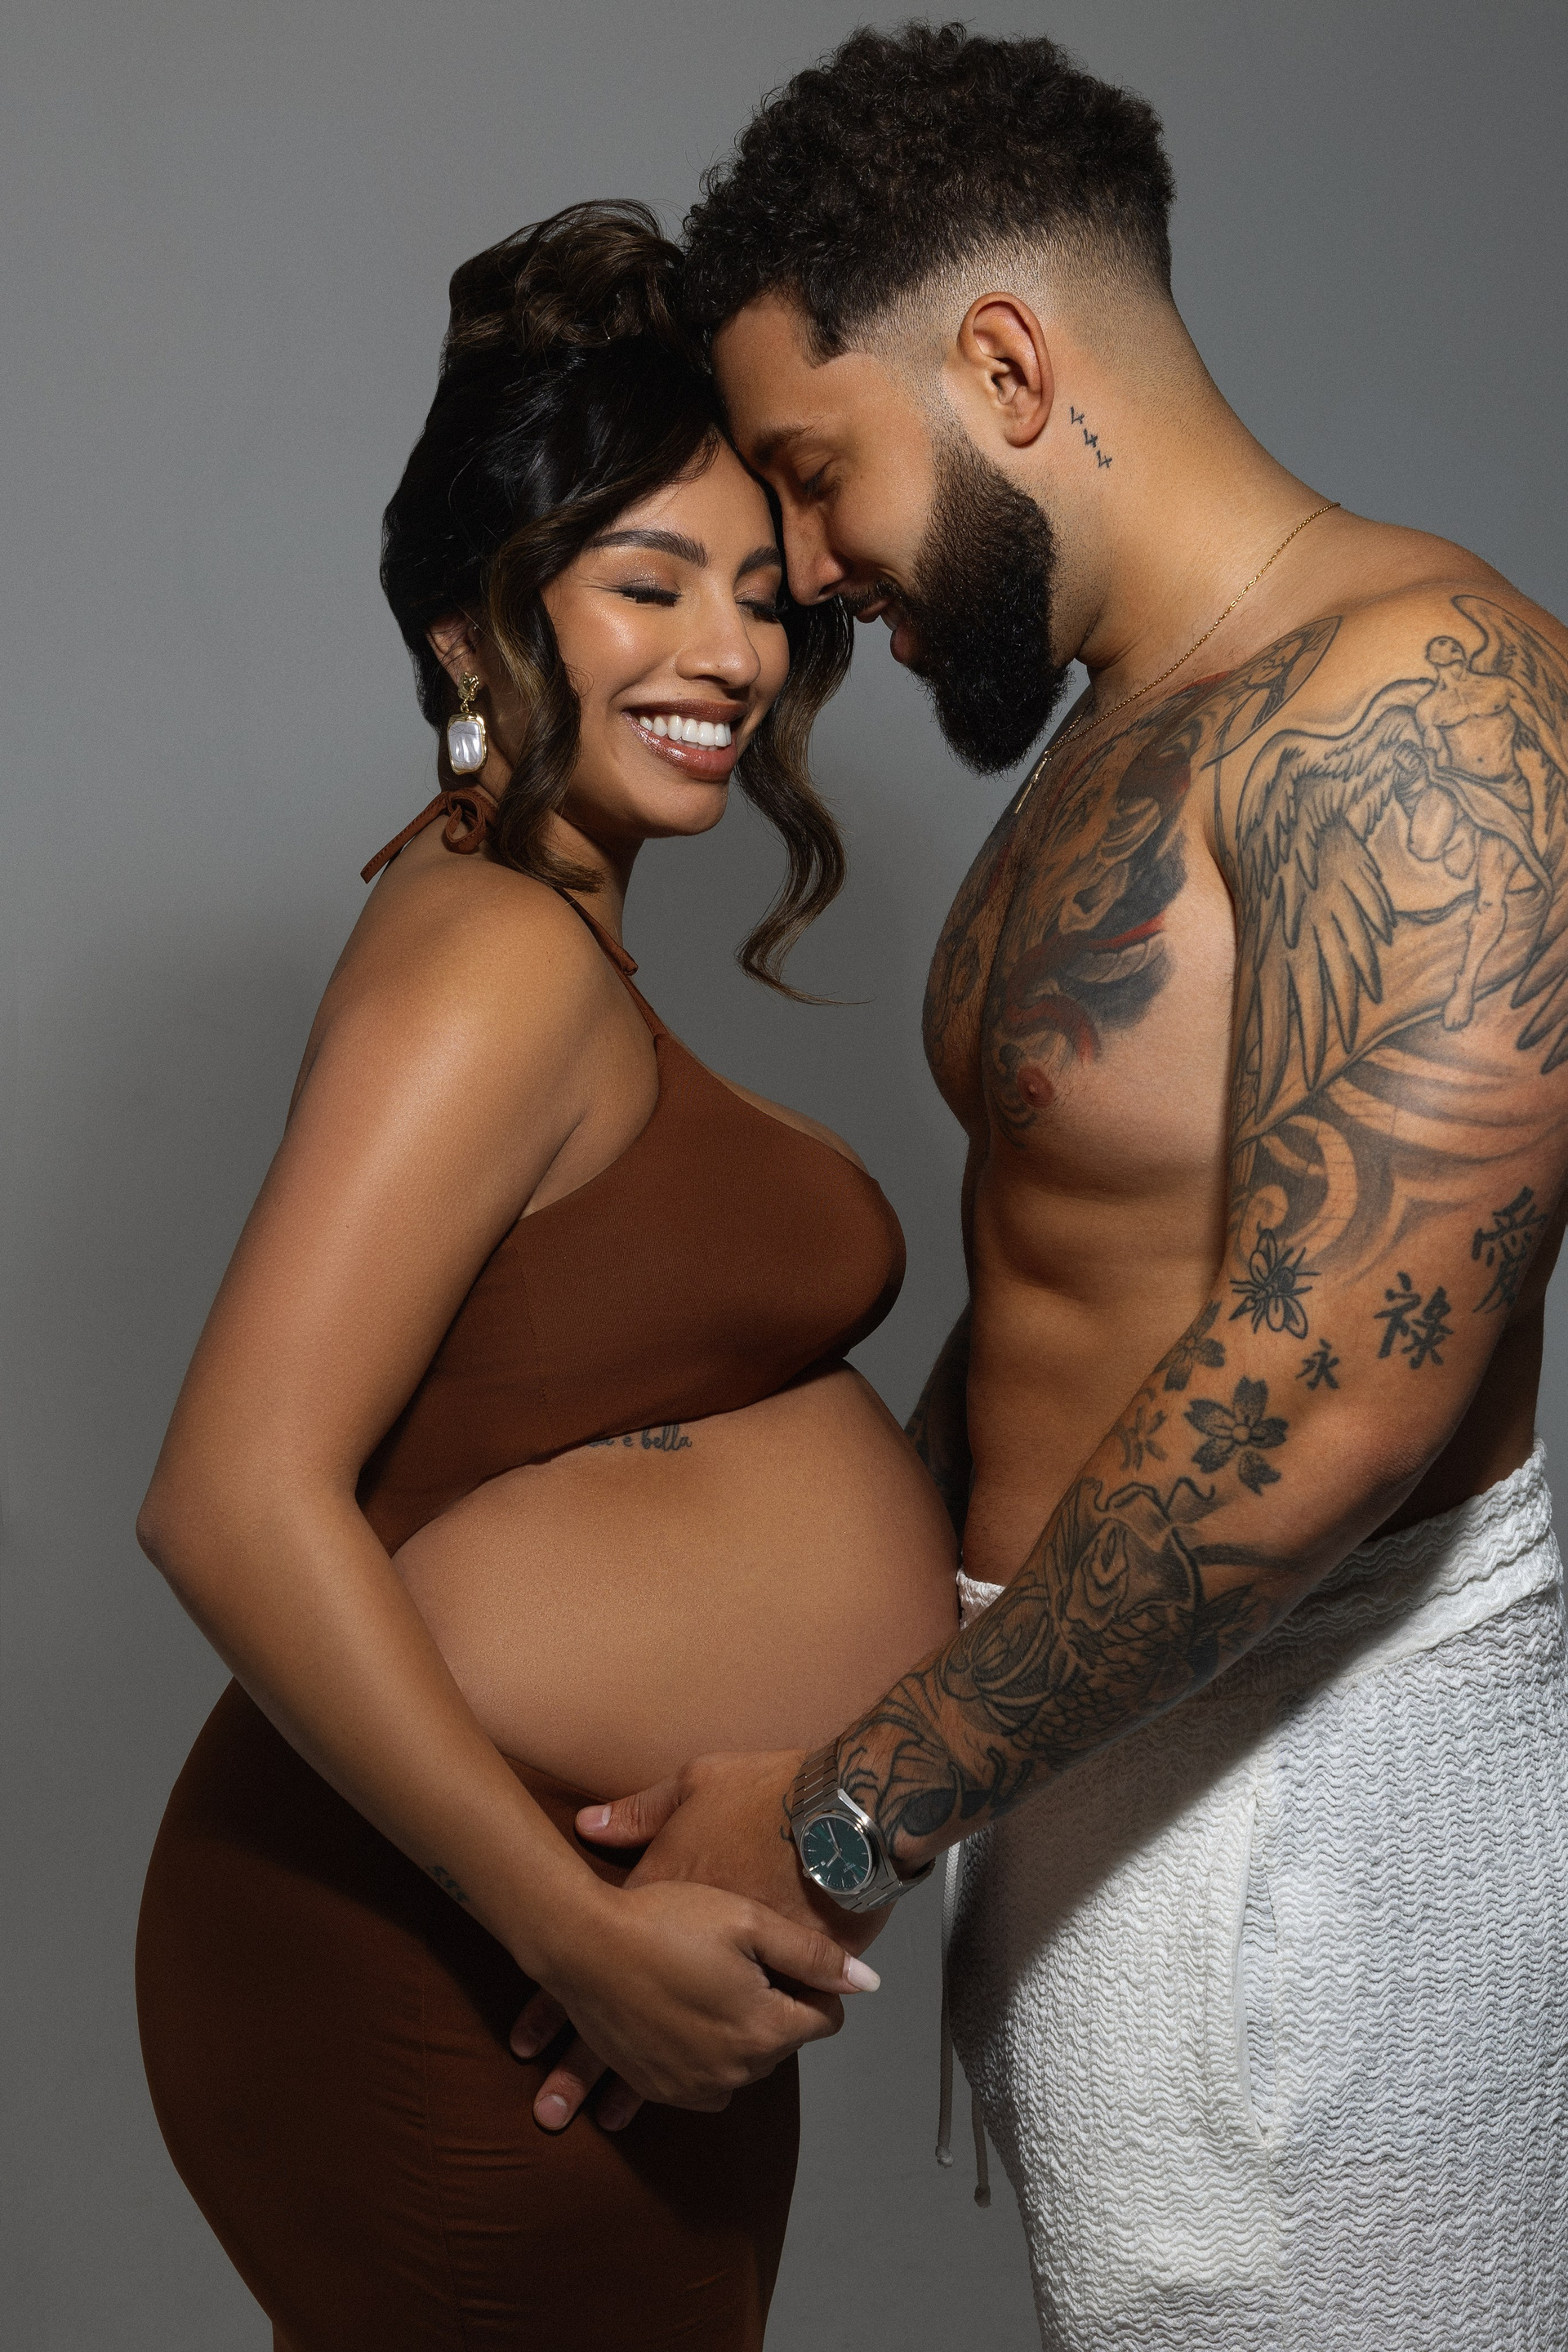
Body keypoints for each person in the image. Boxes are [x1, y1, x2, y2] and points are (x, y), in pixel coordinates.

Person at [520, 30, 1568, 2350]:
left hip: (1338, 1870)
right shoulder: (1130, 729)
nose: (802, 573)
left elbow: (1340, 1390)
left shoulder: (1428, 700)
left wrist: (843, 1805)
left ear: (1003, 363)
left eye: (816, 475)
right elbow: (1055, 1322)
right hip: (1101, 1826)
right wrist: (767, 1715)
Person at [133, 200, 960, 2352]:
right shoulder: (493, 958)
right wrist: (566, 1934)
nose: (732, 657)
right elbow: (229, 1496)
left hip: (578, 1934)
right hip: (464, 1957)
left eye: (762, 598)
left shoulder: (530, 928)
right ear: (470, 624)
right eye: (648, 584)